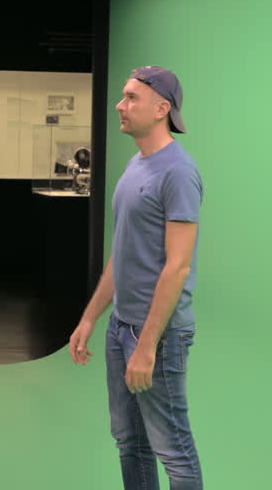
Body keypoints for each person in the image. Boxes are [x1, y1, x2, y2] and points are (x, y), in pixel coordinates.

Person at [70, 66, 204, 490]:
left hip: (158, 336)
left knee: (173, 451)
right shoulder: (136, 165)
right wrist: (91, 318)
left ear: (162, 108)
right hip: (120, 328)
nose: (120, 106)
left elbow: (177, 266)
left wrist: (146, 346)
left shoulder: (178, 173)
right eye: (123, 97)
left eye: (131, 98)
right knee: (130, 442)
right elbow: (123, 254)